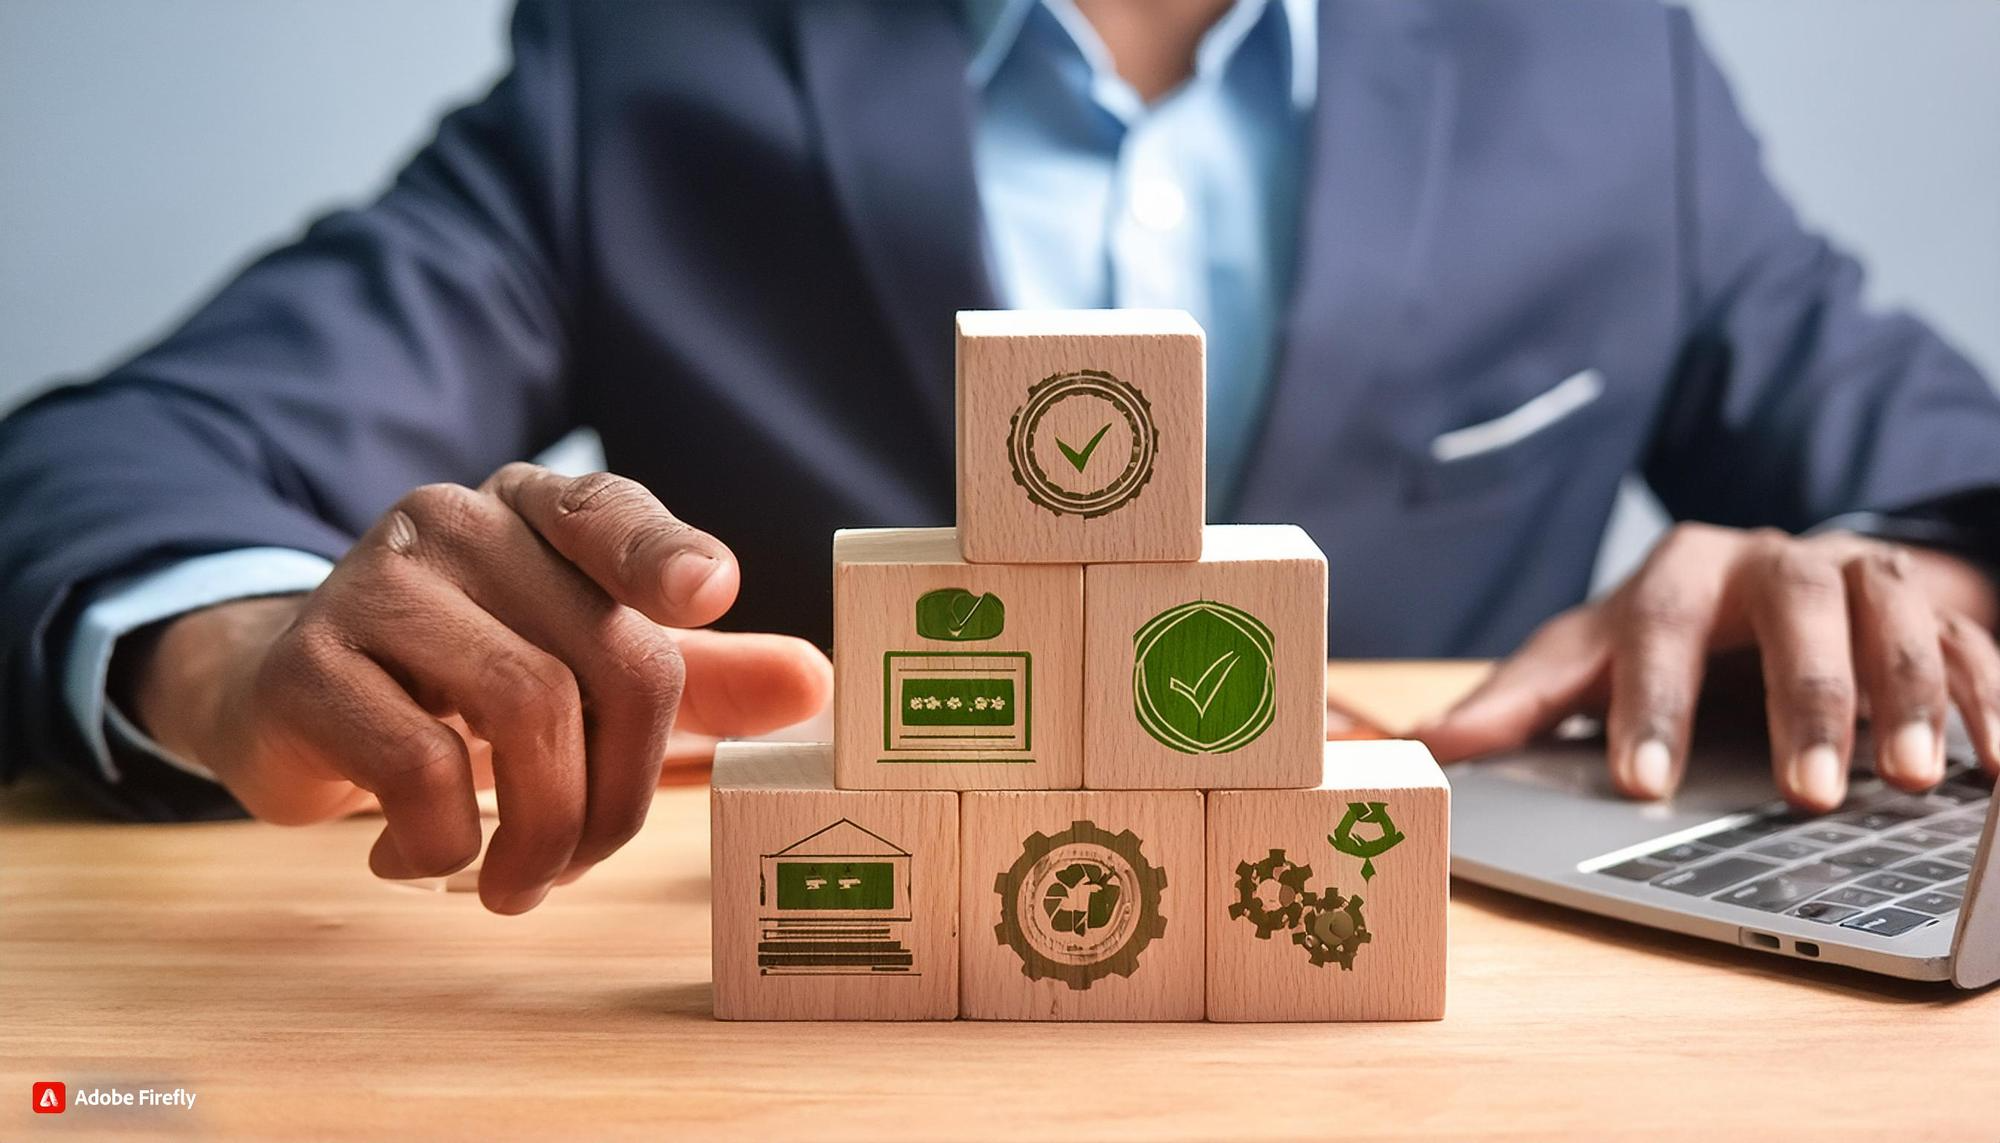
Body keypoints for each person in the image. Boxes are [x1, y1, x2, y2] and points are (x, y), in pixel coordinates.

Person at [1, 0, 1995, 916]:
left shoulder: (1596, 56)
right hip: (852, 1001)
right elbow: (124, 457)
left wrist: (1887, 591)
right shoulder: (650, 59)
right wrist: (236, 652)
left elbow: (1942, 462)